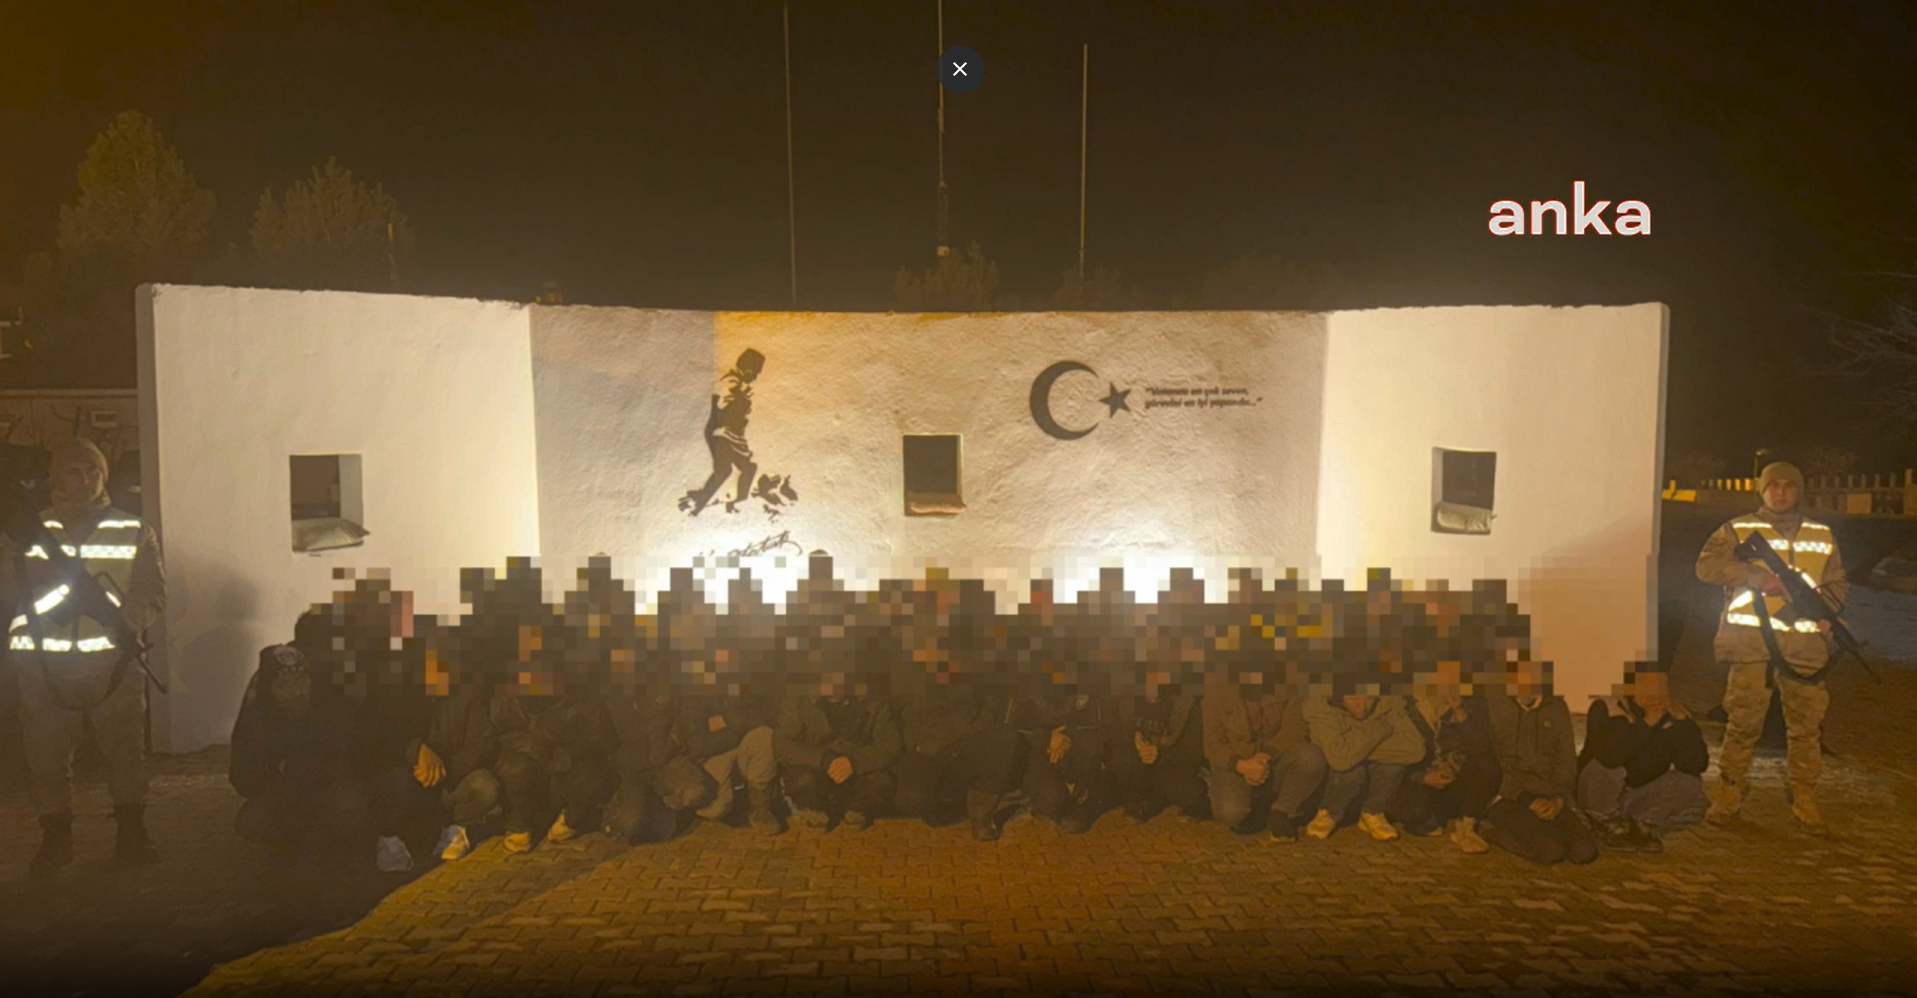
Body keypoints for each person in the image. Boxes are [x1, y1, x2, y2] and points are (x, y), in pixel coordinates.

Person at [1, 438, 165, 873]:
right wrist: (31, 571)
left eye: (94, 471)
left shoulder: (133, 529)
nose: (85, 479)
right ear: (57, 478)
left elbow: (152, 590)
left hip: (112, 664)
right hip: (42, 666)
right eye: (74, 472)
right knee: (46, 758)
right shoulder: (28, 531)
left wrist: (127, 621)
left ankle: (132, 834)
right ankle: (55, 839)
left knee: (125, 753)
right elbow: (5, 590)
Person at [1694, 461, 1846, 836]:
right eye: (1773, 486)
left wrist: (1827, 614)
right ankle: (1728, 796)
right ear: (1761, 491)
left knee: (1806, 728)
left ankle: (1806, 800)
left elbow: (1836, 583)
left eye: (1788, 486)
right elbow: (1706, 567)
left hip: (1804, 645)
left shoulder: (1821, 534)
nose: (1780, 493)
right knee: (1742, 724)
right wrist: (1756, 577)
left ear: (1799, 492)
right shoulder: (1737, 529)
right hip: (1752, 643)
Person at [357, 634, 501, 870]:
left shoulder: (468, 695)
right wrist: (416, 751)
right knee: (394, 783)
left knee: (485, 786)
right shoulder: (398, 696)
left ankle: (453, 829)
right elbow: (378, 744)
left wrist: (442, 769)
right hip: (414, 782)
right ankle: (391, 839)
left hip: (448, 782)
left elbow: (483, 744)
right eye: (433, 665)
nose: (440, 672)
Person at [229, 631, 371, 865]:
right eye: (282, 685)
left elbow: (352, 761)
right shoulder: (255, 719)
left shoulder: (332, 709)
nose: (296, 692)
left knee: (348, 804)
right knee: (253, 820)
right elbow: (242, 778)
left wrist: (295, 766)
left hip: (328, 789)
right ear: (268, 691)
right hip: (283, 792)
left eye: (301, 680)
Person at [1576, 664, 1709, 853]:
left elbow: (1694, 766)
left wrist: (1684, 724)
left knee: (1689, 782)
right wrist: (1646, 725)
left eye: (1661, 686)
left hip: (1636, 794)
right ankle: (1604, 821)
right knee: (1610, 770)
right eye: (1648, 685)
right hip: (1598, 792)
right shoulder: (1608, 708)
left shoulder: (1673, 717)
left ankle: (1643, 824)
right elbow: (1609, 758)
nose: (1655, 692)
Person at [1482, 660, 1599, 865]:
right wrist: (1524, 798)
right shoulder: (1493, 707)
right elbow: (1490, 762)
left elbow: (1566, 762)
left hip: (1548, 794)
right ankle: (1491, 832)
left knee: (1584, 852)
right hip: (1509, 796)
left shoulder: (1556, 709)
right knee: (1549, 851)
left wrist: (1558, 800)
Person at [1201, 665, 1327, 842]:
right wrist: (1241, 765)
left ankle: (1281, 811)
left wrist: (1264, 757)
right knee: (1231, 813)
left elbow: (1295, 729)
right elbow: (1213, 744)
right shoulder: (1216, 689)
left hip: (1274, 758)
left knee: (1310, 757)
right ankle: (1257, 802)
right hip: (1237, 762)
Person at [894, 683, 1024, 841]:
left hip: (966, 744)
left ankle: (981, 813)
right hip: (930, 751)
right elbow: (904, 715)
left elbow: (992, 707)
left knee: (1005, 736)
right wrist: (920, 742)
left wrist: (971, 730)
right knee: (912, 800)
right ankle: (954, 803)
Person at [774, 675, 902, 830]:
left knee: (882, 782)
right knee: (803, 781)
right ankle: (814, 809)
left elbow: (890, 745)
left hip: (856, 772)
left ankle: (857, 810)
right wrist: (823, 759)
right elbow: (782, 746)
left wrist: (854, 762)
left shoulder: (873, 700)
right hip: (815, 770)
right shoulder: (797, 700)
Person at [1302, 682, 1427, 841]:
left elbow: (1415, 749)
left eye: (1369, 698)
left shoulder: (1389, 702)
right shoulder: (1321, 706)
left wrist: (1352, 747)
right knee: (1349, 770)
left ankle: (1373, 811)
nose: (1362, 706)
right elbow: (1339, 758)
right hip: (1335, 775)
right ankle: (1329, 812)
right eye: (1354, 699)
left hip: (1366, 763)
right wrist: (1380, 728)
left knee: (1393, 766)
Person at [1386, 678, 1497, 854]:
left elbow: (1479, 748)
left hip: (1452, 778)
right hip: (1414, 779)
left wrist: (1460, 713)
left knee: (1486, 765)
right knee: (1424, 822)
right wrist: (1422, 777)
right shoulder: (1403, 702)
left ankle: (1466, 823)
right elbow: (1390, 754)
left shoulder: (1471, 700)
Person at [1108, 671, 1209, 825]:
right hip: (1135, 761)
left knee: (1185, 788)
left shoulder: (1187, 699)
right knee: (1121, 768)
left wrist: (1159, 753)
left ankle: (1151, 799)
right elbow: (1111, 737)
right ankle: (1149, 799)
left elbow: (1193, 753)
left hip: (1169, 765)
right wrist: (1133, 741)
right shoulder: (1121, 693)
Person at [1014, 690, 1114, 834]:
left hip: (1077, 745)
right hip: (1040, 749)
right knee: (1051, 803)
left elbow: (1100, 723)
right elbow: (1012, 727)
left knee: (1090, 745)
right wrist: (1046, 739)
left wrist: (1066, 737)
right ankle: (1045, 798)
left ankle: (1084, 800)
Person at [679, 348, 766, 515]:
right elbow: (721, 404)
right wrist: (741, 397)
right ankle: (700, 505)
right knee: (725, 470)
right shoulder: (731, 382)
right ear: (748, 370)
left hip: (730, 435)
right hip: (722, 434)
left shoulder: (738, 384)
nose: (755, 377)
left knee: (745, 468)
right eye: (755, 373)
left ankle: (732, 501)